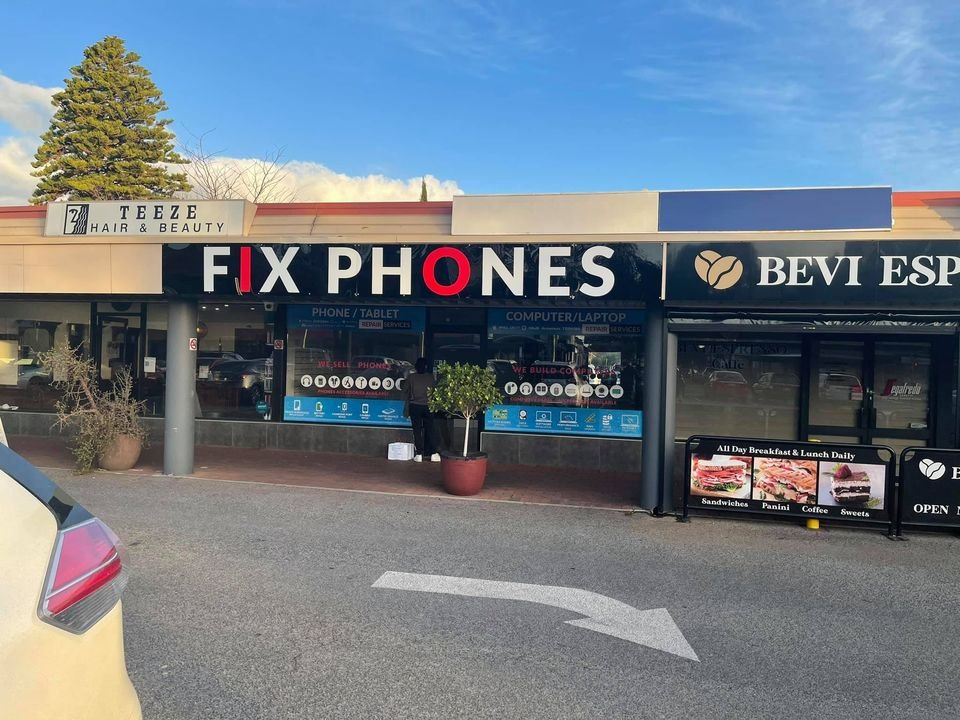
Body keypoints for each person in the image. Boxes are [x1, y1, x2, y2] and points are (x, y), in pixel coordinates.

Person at [404, 357, 439, 462]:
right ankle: (433, 453)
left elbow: (404, 389)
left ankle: (419, 454)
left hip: (415, 406)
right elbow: (434, 391)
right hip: (428, 406)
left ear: (416, 367)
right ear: (426, 367)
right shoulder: (430, 378)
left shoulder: (411, 377)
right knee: (430, 429)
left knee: (417, 430)